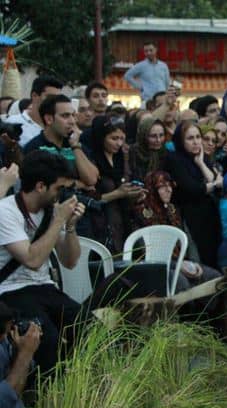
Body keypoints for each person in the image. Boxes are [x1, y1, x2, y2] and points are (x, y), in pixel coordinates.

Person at [0, 151, 85, 374]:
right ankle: (46, 398)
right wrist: (58, 220)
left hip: (44, 287)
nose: (62, 195)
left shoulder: (50, 213)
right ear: (40, 186)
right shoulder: (5, 211)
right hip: (10, 291)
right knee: (48, 340)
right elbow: (32, 259)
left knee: (87, 326)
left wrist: (70, 226)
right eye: (59, 188)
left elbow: (70, 261)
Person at [80, 116, 144, 253]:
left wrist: (136, 193)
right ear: (101, 137)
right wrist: (117, 194)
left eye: (122, 138)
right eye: (114, 138)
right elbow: (88, 198)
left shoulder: (123, 157)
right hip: (101, 225)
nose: (119, 143)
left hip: (126, 221)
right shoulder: (90, 161)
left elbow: (131, 179)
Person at [165, 121, 223, 268]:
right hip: (190, 217)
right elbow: (192, 188)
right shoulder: (174, 159)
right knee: (198, 259)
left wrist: (201, 164)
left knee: (212, 259)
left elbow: (218, 186)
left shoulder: (201, 158)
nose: (196, 142)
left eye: (198, 137)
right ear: (180, 140)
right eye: (190, 138)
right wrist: (212, 185)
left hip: (209, 217)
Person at [0, 302, 40, 408]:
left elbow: (14, 398)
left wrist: (20, 353)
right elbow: (4, 402)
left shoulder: (3, 342)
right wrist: (25, 355)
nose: (4, 338)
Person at [23, 95, 99, 187]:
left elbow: (92, 179)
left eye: (73, 115)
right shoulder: (35, 147)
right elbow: (47, 185)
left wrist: (75, 146)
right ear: (49, 119)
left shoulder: (75, 144)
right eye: (65, 116)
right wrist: (77, 183)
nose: (72, 121)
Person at [6, 76, 63, 148]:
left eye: (58, 98)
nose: (55, 102)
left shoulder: (59, 125)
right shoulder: (13, 122)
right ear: (34, 96)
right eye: (50, 97)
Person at [128, 117, 167, 182]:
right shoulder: (132, 152)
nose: (158, 140)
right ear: (144, 136)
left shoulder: (164, 153)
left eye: (161, 135)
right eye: (153, 136)